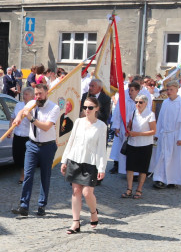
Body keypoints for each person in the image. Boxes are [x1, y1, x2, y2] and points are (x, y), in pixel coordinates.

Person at [10, 82, 60, 217]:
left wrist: (31, 119)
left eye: (40, 94)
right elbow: (22, 110)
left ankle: (42, 205)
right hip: (32, 144)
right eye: (36, 94)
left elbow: (46, 127)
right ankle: (24, 206)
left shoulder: (54, 108)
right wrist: (19, 117)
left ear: (47, 93)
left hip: (47, 146)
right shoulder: (32, 103)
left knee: (45, 176)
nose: (38, 97)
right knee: (28, 175)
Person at [60, 95, 108, 233]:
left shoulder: (101, 126)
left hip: (91, 162)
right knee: (76, 191)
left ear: (96, 109)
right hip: (75, 159)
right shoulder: (78, 122)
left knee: (87, 193)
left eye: (90, 107)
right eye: (85, 107)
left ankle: (93, 212)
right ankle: (76, 222)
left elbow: (101, 149)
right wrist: (64, 160)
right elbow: (71, 141)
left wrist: (101, 167)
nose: (87, 110)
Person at [149, 84, 181, 189]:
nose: (169, 91)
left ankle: (173, 179)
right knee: (162, 157)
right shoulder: (165, 102)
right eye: (167, 89)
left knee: (174, 158)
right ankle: (160, 179)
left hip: (175, 135)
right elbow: (161, 119)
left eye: (171, 89)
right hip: (165, 134)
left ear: (177, 90)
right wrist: (157, 133)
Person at [121, 93, 156, 199]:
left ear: (146, 103)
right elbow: (129, 126)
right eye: (136, 102)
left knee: (142, 168)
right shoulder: (133, 112)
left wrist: (138, 134)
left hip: (145, 144)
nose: (138, 104)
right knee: (130, 167)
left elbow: (153, 131)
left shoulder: (150, 114)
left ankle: (139, 189)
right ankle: (129, 189)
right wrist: (128, 131)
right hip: (133, 142)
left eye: (140, 102)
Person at [108, 81, 141, 174]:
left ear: (138, 91)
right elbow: (118, 114)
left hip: (136, 129)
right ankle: (122, 168)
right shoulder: (124, 101)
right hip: (124, 127)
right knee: (122, 148)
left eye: (132, 90)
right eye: (129, 90)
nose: (130, 92)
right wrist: (117, 127)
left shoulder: (141, 101)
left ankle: (135, 171)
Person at [12, 87, 34, 185]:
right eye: (23, 94)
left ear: (32, 96)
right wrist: (10, 130)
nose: (24, 96)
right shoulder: (18, 105)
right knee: (17, 155)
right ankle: (24, 174)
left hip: (28, 135)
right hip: (18, 134)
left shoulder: (34, 107)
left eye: (26, 94)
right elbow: (12, 118)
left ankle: (24, 176)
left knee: (26, 157)